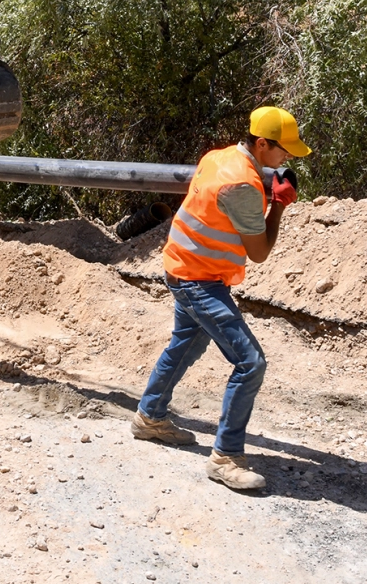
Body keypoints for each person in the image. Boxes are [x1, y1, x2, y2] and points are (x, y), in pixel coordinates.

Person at [131, 105, 310, 492]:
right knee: (250, 362)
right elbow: (259, 251)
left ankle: (149, 417)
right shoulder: (243, 186)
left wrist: (267, 191)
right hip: (198, 279)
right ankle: (226, 458)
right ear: (262, 145)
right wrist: (278, 204)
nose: (287, 158)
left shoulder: (221, 156)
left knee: (186, 344)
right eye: (284, 151)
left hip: (183, 264)